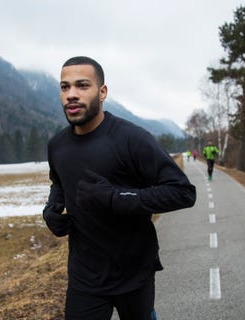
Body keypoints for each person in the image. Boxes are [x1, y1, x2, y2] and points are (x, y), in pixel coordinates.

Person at [42, 56, 196, 320]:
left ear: (102, 92)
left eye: (82, 85)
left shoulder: (131, 139)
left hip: (134, 271)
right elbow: (58, 181)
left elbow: (182, 192)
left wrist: (116, 198)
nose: (72, 95)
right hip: (84, 276)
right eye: (65, 87)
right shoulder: (57, 146)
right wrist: (51, 211)